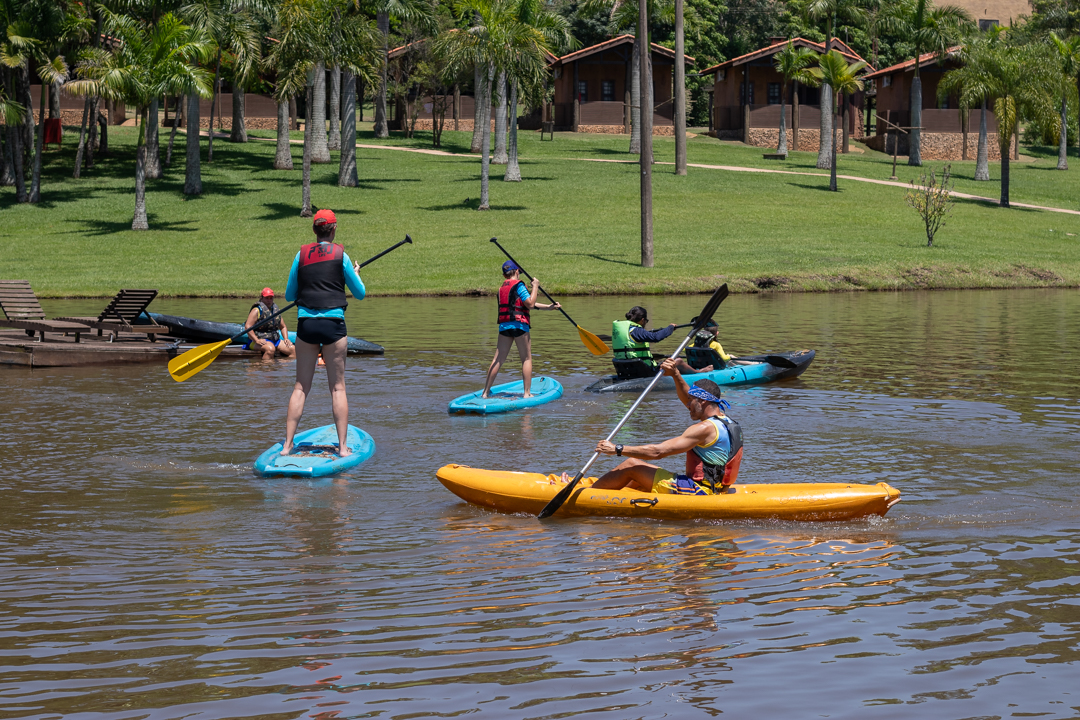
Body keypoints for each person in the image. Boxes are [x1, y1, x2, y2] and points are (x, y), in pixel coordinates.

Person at [588, 358, 744, 495]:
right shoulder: (728, 423)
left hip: (699, 490)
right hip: (716, 488)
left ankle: (589, 496)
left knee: (632, 464)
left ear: (702, 401)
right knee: (639, 476)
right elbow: (690, 402)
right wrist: (675, 374)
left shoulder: (704, 429)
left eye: (691, 400)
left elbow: (658, 452)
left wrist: (617, 449)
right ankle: (611, 493)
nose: (687, 404)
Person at [281, 208, 366, 456]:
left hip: (307, 325)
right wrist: (355, 274)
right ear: (334, 228)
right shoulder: (342, 256)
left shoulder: (301, 255)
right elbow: (359, 293)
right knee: (337, 387)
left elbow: (288, 296)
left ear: (314, 230)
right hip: (334, 326)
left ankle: (287, 446)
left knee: (300, 387)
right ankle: (342, 448)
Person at [481, 260, 561, 399]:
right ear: (517, 271)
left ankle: (485, 393)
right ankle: (527, 393)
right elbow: (529, 304)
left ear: (504, 274)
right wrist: (535, 286)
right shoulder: (519, 285)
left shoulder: (501, 288)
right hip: (519, 325)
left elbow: (523, 303)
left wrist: (549, 307)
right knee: (526, 359)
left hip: (505, 326)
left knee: (497, 359)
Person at [611, 306, 705, 375]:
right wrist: (670, 328)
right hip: (644, 372)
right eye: (646, 321)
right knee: (678, 361)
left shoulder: (622, 331)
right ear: (642, 320)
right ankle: (699, 372)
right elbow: (655, 337)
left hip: (626, 370)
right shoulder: (637, 331)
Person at [243, 287, 295, 360]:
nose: (269, 300)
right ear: (262, 298)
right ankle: (266, 368)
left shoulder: (275, 310)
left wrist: (286, 338)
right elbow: (247, 327)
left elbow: (283, 327)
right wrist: (256, 340)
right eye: (267, 298)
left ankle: (281, 368)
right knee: (270, 349)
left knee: (293, 350)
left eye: (271, 298)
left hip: (274, 340)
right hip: (256, 341)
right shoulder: (257, 310)